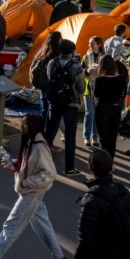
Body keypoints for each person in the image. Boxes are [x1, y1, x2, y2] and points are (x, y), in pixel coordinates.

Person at [0, 113, 64, 259]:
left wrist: (26, 183)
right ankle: (59, 257)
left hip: (31, 194)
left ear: (33, 126)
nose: (21, 126)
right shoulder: (31, 142)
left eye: (25, 123)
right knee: (43, 226)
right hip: (33, 193)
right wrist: (15, 164)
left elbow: (50, 174)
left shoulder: (39, 146)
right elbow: (31, 164)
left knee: (11, 226)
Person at [74, 149, 130, 259]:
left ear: (90, 168)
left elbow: (85, 238)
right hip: (123, 251)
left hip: (102, 254)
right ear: (111, 169)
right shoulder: (122, 190)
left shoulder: (91, 198)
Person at [45, 39, 85, 176]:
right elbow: (81, 86)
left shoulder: (52, 62)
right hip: (70, 102)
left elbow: (49, 78)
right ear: (72, 51)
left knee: (49, 132)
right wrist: (79, 93)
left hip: (54, 101)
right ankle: (69, 168)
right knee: (70, 135)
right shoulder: (76, 66)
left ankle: (43, 162)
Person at [93, 56, 127, 157]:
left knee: (104, 139)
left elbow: (96, 94)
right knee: (113, 138)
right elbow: (123, 94)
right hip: (115, 108)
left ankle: (104, 162)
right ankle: (110, 161)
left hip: (103, 108)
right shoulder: (121, 79)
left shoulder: (100, 80)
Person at [82, 37, 105, 148]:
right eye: (89, 43)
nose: (90, 45)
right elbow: (80, 70)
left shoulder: (104, 57)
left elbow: (108, 72)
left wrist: (100, 72)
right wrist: (87, 71)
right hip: (88, 87)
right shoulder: (86, 57)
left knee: (96, 114)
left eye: (92, 43)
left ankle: (94, 136)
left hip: (100, 89)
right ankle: (86, 137)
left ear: (99, 44)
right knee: (89, 113)